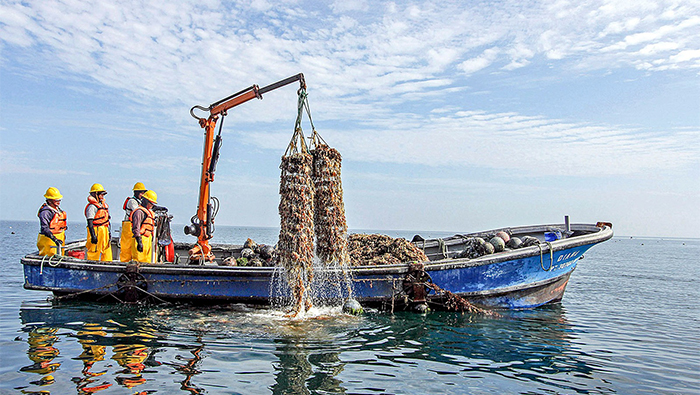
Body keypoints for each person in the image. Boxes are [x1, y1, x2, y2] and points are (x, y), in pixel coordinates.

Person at [119, 182, 147, 262]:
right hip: (128, 226)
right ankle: (124, 263)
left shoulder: (141, 202)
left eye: (143, 193)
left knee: (135, 247)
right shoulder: (132, 201)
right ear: (136, 192)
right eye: (141, 192)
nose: (142, 194)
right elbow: (137, 211)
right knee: (126, 247)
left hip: (135, 226)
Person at [85, 183, 112, 261]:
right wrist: (93, 235)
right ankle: (92, 265)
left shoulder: (102, 205)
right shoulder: (92, 207)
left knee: (106, 250)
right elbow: (90, 222)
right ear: (95, 194)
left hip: (104, 230)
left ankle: (108, 265)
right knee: (94, 250)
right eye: (101, 194)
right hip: (96, 230)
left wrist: (109, 233)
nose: (102, 197)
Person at [37, 187, 68, 256]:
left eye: (59, 199)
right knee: (50, 256)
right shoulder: (46, 212)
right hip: (49, 241)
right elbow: (44, 228)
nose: (58, 201)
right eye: (56, 199)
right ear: (49, 200)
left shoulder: (58, 210)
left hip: (59, 239)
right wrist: (54, 239)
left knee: (60, 256)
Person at [130, 190, 157, 263]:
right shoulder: (139, 212)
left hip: (147, 240)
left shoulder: (148, 212)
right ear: (145, 201)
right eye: (151, 203)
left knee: (146, 261)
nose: (152, 206)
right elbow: (136, 227)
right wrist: (139, 242)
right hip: (140, 240)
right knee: (138, 261)